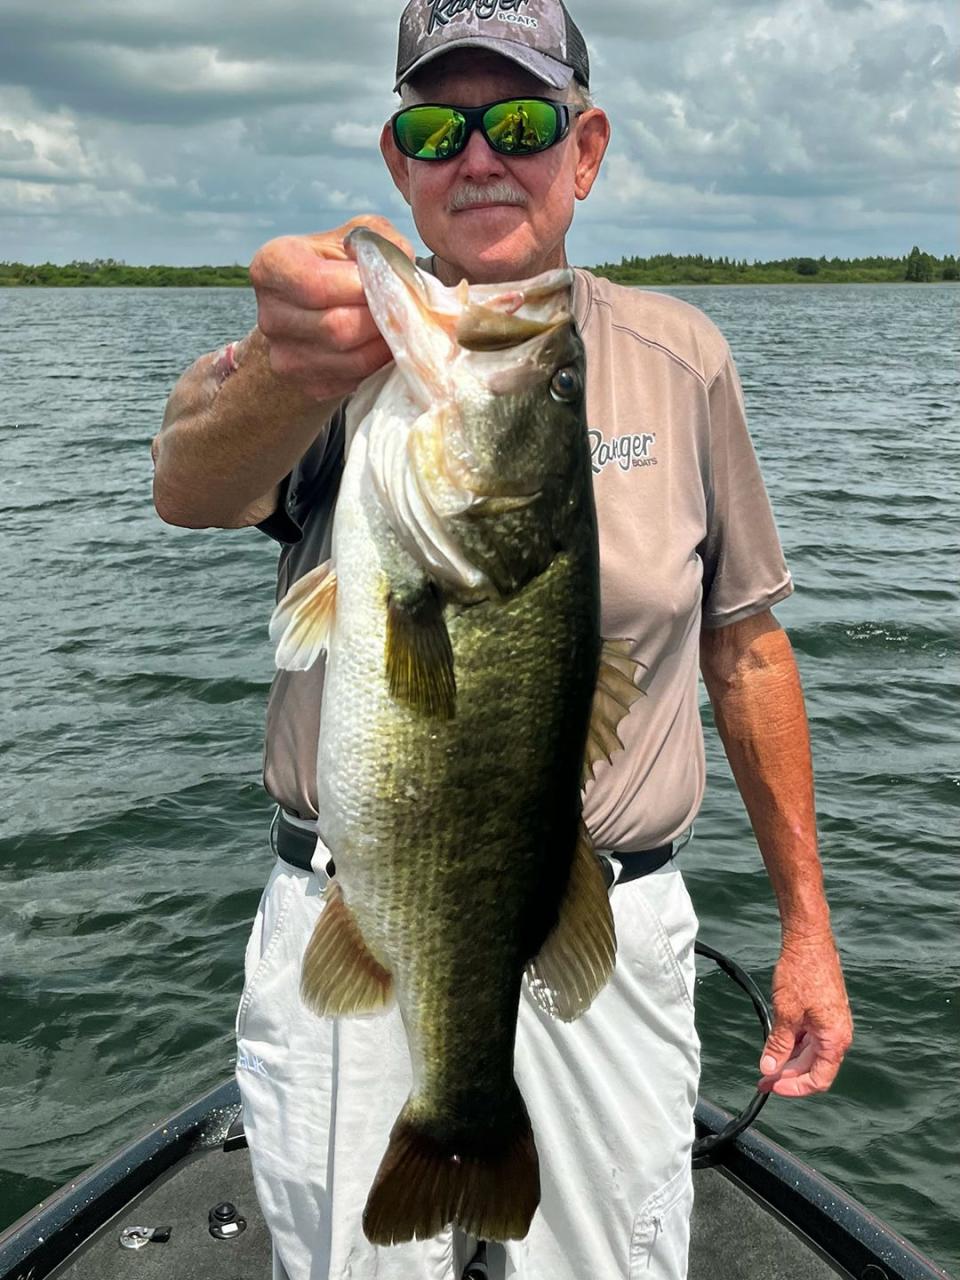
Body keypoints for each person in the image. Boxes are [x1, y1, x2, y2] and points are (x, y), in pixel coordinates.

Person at [152, 2, 854, 1277]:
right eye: (440, 125)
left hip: (608, 922)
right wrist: (279, 365)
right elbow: (187, 486)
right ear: (398, 161)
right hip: (354, 902)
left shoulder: (681, 355)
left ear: (583, 152)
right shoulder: (334, 358)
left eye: (521, 122)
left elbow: (746, 645)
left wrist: (807, 925)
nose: (481, 155)